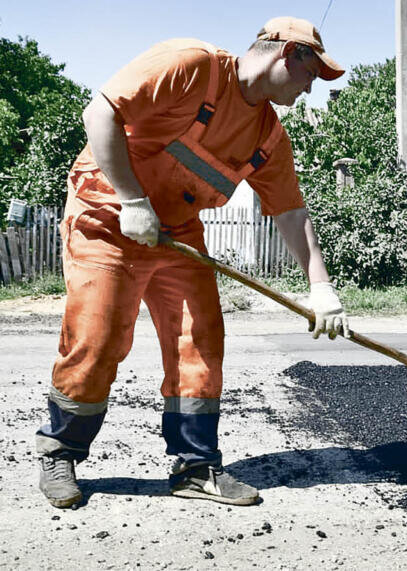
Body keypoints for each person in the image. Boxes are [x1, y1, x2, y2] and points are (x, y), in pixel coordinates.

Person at [34, 17, 350, 508]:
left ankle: (196, 468)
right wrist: (132, 201)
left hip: (176, 232)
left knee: (200, 340)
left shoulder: (268, 137)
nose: (310, 88)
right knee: (98, 337)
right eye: (311, 74)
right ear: (289, 54)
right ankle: (60, 451)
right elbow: (99, 113)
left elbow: (290, 212)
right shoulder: (192, 65)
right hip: (107, 216)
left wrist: (321, 288)